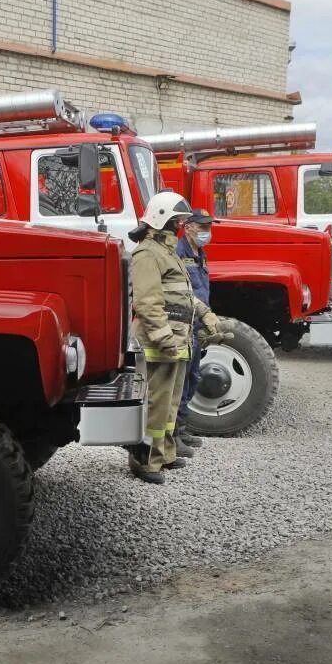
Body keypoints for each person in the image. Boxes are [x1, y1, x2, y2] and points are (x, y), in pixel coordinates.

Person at [127, 191, 227, 484]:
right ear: (163, 220)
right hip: (160, 343)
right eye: (177, 222)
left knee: (169, 405)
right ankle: (145, 461)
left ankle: (165, 454)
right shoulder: (147, 253)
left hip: (177, 340)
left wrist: (207, 317)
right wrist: (164, 338)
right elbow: (146, 302)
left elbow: (184, 296)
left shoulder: (169, 252)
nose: (181, 227)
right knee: (155, 405)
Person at [174, 209, 214, 459]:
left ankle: (183, 428)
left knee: (194, 377)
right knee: (182, 377)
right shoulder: (179, 253)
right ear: (187, 227)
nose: (206, 232)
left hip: (198, 322)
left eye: (208, 227)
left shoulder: (200, 253)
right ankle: (174, 433)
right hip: (185, 322)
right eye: (201, 227)